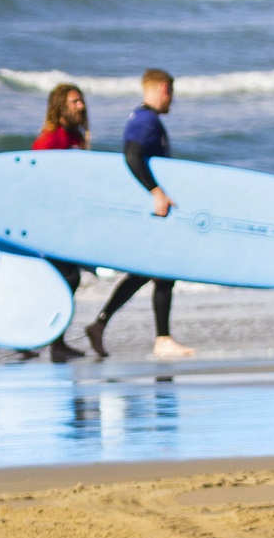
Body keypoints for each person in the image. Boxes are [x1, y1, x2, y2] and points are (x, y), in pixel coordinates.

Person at [86, 69, 189, 359]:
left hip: (149, 209)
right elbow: (131, 154)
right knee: (163, 272)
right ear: (163, 89)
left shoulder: (140, 118)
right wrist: (155, 192)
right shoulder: (147, 121)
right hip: (153, 208)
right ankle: (162, 339)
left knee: (148, 271)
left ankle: (101, 323)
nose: (172, 99)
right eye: (171, 91)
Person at [19, 83, 92, 362]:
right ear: (60, 106)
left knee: (68, 279)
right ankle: (34, 337)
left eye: (81, 101)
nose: (81, 106)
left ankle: (51, 340)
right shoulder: (50, 140)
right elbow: (35, 183)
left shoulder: (76, 137)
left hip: (68, 223)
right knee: (63, 279)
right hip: (49, 224)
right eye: (75, 102)